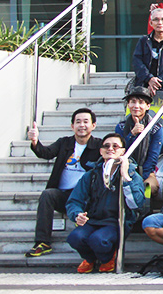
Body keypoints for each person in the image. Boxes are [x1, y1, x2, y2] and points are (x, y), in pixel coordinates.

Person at [25, 109, 100, 258]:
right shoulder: (64, 142)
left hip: (85, 197)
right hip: (63, 195)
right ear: (72, 126)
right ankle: (43, 242)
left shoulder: (99, 146)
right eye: (78, 122)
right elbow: (45, 153)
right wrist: (35, 142)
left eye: (86, 121)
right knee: (47, 195)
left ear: (93, 125)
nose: (82, 125)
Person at [66, 132, 144, 273]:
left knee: (99, 240)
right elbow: (74, 201)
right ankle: (90, 259)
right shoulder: (91, 175)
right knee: (75, 237)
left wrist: (125, 176)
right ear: (101, 151)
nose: (110, 149)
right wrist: (77, 214)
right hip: (93, 220)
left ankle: (107, 258)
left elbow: (136, 204)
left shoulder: (132, 175)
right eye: (106, 146)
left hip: (116, 222)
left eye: (115, 146)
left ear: (123, 151)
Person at [115, 87, 162, 194]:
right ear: (128, 105)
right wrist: (132, 134)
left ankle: (144, 210)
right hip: (124, 168)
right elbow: (119, 151)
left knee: (148, 188)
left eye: (141, 102)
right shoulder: (121, 127)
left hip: (147, 172)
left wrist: (140, 177)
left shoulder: (156, 128)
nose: (136, 106)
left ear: (148, 106)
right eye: (133, 102)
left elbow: (153, 156)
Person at [133, 8, 163, 103]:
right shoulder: (143, 41)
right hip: (143, 87)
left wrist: (157, 82)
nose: (160, 22)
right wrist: (149, 79)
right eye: (156, 19)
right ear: (151, 23)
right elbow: (137, 62)